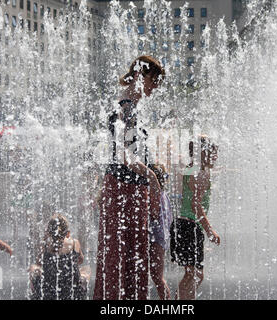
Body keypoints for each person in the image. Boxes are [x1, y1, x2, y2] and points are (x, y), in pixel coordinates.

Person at [93, 55, 165, 300]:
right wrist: (152, 176)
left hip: (126, 188)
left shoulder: (127, 104)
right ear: (139, 75)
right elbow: (126, 155)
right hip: (125, 190)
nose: (155, 87)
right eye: (153, 81)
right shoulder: (127, 107)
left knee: (126, 253)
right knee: (125, 254)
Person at [170, 136, 221, 300]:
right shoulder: (201, 174)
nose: (216, 157)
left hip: (182, 225)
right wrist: (210, 230)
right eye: (213, 153)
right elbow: (196, 206)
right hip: (190, 227)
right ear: (204, 153)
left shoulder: (191, 169)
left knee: (193, 274)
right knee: (195, 275)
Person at [28, 214, 87, 300]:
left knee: (33, 268)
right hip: (71, 288)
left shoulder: (45, 245)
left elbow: (39, 262)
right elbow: (81, 260)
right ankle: (82, 294)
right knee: (86, 269)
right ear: (68, 233)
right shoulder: (75, 243)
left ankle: (36, 293)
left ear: (48, 231)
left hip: (49, 287)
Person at [148, 163, 173, 300]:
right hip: (160, 238)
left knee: (157, 276)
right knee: (156, 276)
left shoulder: (156, 195)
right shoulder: (164, 195)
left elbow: (153, 213)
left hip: (155, 238)